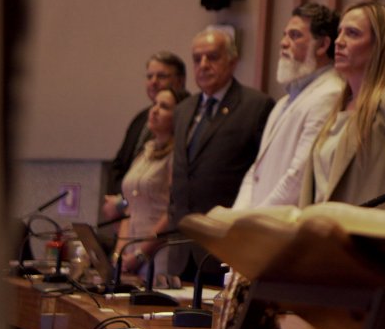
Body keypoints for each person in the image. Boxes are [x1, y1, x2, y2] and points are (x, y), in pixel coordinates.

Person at [301, 1, 385, 210]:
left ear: (379, 45)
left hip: (374, 239)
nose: (339, 42)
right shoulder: (339, 106)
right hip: (325, 238)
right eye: (340, 32)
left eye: (352, 34)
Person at [169, 27, 274, 281]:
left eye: (212, 57)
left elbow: (261, 176)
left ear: (233, 61)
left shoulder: (256, 106)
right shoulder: (183, 110)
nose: (203, 65)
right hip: (181, 250)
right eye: (197, 59)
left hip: (224, 247)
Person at [233, 3, 345, 209]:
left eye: (294, 36)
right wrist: (236, 218)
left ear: (322, 45)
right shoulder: (284, 102)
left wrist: (251, 222)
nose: (283, 43)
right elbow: (256, 171)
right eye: (285, 35)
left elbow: (298, 177)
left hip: (281, 228)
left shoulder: (330, 94)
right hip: (258, 227)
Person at [110, 87, 188, 280]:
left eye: (164, 107)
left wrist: (140, 254)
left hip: (158, 253)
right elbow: (130, 208)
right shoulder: (145, 152)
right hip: (131, 250)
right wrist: (120, 252)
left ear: (178, 116)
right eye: (154, 104)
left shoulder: (177, 156)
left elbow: (172, 210)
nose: (154, 110)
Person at [107, 51, 186, 198]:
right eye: (150, 76)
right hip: (129, 206)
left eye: (161, 76)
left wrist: (123, 202)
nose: (153, 82)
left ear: (180, 81)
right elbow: (119, 165)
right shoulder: (141, 118)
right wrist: (121, 198)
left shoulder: (187, 117)